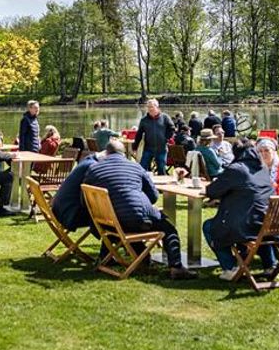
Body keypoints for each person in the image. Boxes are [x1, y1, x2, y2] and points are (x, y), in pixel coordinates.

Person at [84, 140, 196, 280]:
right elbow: (154, 196)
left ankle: (107, 257)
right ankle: (176, 267)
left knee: (123, 219)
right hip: (135, 219)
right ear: (124, 153)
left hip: (107, 223)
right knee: (169, 229)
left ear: (106, 153)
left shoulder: (93, 169)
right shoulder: (135, 167)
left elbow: (85, 197)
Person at [203, 140, 275, 280]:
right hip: (268, 224)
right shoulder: (262, 168)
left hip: (245, 226)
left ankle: (230, 267)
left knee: (209, 226)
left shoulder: (236, 169)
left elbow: (212, 191)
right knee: (257, 221)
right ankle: (270, 265)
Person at [50, 150, 105, 231]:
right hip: (69, 216)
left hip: (58, 210)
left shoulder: (86, 161)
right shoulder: (92, 167)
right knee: (107, 217)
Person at [134, 99, 174, 175]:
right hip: (148, 148)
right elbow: (139, 134)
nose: (150, 109)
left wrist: (166, 138)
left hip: (161, 148)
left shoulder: (165, 117)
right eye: (148, 107)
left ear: (157, 107)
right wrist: (135, 147)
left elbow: (172, 128)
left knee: (161, 169)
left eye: (152, 107)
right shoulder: (144, 120)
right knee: (142, 168)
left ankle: (162, 182)